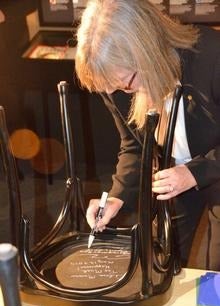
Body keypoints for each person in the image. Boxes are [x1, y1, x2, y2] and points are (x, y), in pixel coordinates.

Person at [75, 0, 220, 270]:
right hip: (173, 173)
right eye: (110, 87)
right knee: (161, 265)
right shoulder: (117, 82)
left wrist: (196, 172)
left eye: (126, 84)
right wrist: (117, 196)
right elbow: (133, 144)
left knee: (216, 277)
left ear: (146, 52)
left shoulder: (212, 55)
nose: (118, 91)